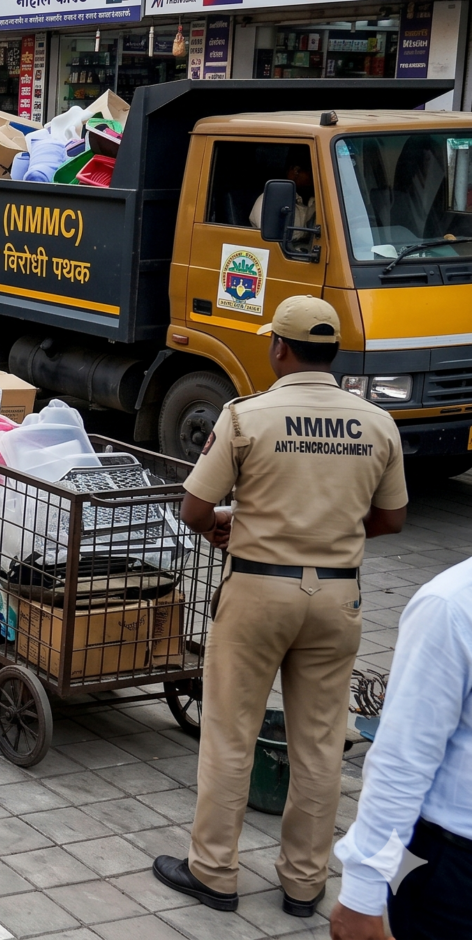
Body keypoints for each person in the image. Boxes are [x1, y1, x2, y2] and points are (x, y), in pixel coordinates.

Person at [153, 295, 407, 917]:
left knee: (230, 734)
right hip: (336, 596)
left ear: (281, 349)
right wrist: (332, 532)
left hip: (258, 592)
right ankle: (303, 884)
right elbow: (392, 518)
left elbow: (192, 509)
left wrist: (228, 525)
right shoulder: (376, 423)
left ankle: (213, 872)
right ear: (334, 352)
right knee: (319, 744)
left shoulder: (248, 417)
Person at [330, 555, 472, 940]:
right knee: (315, 744)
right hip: (451, 862)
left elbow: (403, 760)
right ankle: (300, 881)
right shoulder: (453, 604)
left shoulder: (452, 603)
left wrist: (361, 895)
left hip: (454, 866)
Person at [248, 155, 317, 230]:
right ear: (296, 171)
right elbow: (271, 237)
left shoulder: (303, 199)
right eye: (311, 173)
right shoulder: (270, 200)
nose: (315, 178)